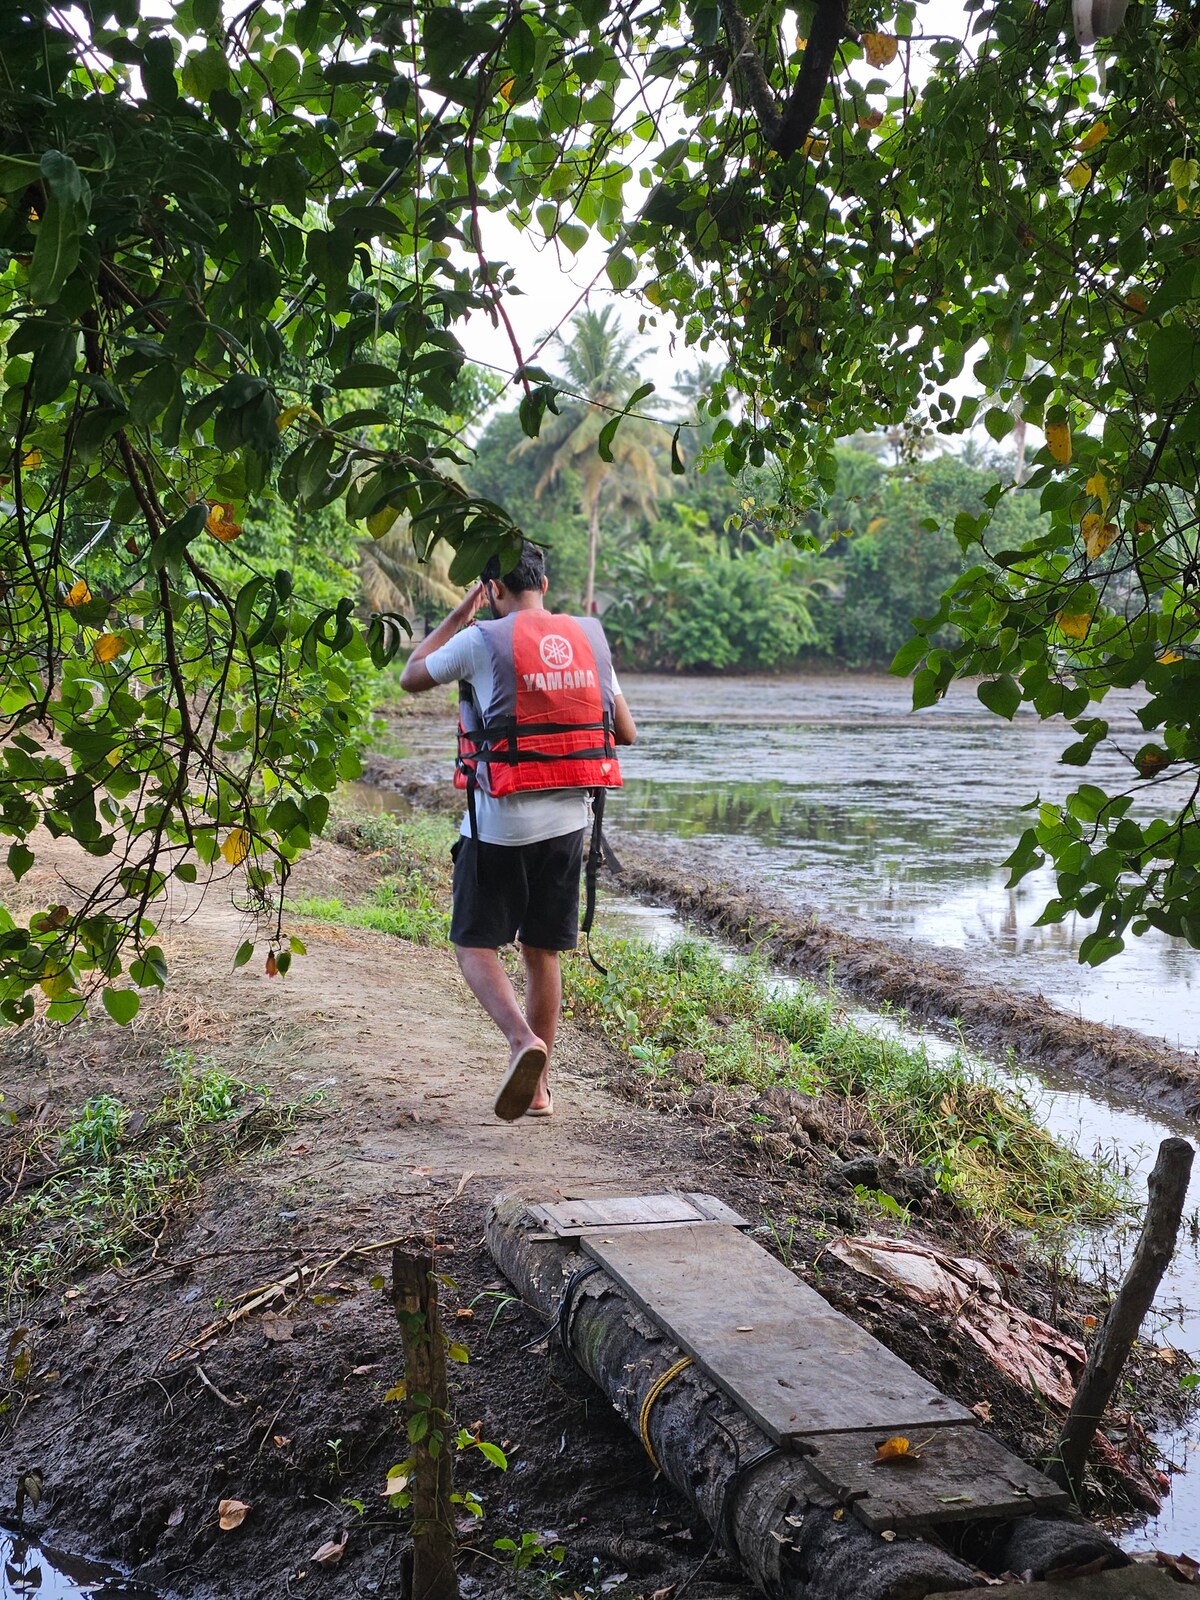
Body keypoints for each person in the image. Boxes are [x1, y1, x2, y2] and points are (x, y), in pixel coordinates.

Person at [399, 541, 637, 1122]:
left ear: (493, 591)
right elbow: (625, 732)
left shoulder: (481, 640)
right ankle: (537, 1089)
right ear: (545, 585)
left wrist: (460, 614)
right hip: (570, 823)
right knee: (542, 951)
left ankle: (519, 1040)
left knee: (473, 940)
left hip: (501, 824)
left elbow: (410, 676)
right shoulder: (590, 639)